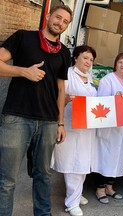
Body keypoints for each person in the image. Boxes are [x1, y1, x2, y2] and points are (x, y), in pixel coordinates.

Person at [0, 4, 72, 216]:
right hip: (17, 118)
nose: (60, 23)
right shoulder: (23, 37)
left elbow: (61, 89)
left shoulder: (64, 52)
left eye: (66, 22)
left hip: (49, 122)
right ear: (48, 16)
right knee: (7, 179)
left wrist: (60, 123)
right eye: (58, 18)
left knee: (43, 175)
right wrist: (23, 71)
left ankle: (43, 213)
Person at [50, 45, 97, 216]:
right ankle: (72, 202)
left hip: (86, 128)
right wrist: (67, 101)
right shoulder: (68, 75)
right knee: (72, 164)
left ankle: (77, 193)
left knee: (82, 163)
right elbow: (55, 99)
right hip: (69, 126)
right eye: (85, 57)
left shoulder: (88, 77)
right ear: (75, 57)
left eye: (91, 59)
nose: (88, 62)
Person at [91, 53, 123, 204]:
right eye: (120, 62)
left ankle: (110, 187)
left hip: (122, 128)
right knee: (104, 157)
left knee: (116, 158)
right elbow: (101, 102)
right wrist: (114, 98)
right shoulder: (107, 80)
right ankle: (100, 188)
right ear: (115, 64)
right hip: (108, 128)